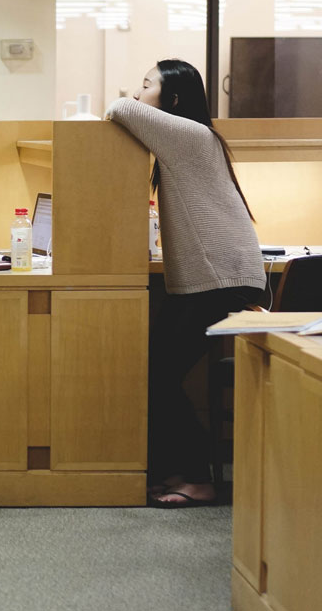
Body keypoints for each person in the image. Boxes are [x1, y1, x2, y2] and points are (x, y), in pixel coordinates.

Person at [105, 59, 265, 508]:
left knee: (160, 375)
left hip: (220, 279)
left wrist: (127, 95)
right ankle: (180, 470)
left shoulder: (190, 135)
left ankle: (198, 478)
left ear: (173, 100)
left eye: (147, 85)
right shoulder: (188, 138)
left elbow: (121, 108)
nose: (139, 94)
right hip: (210, 277)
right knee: (156, 373)